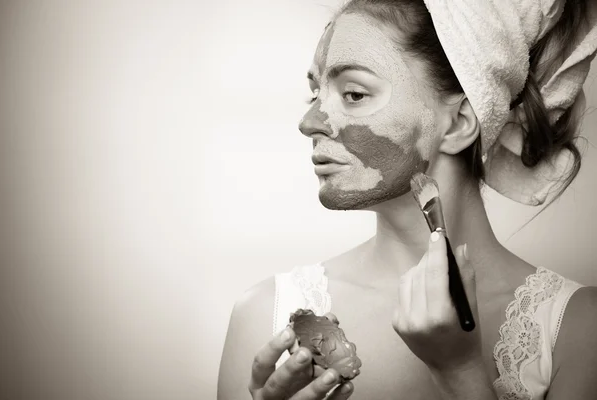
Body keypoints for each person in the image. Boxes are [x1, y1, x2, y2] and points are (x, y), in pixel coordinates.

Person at [217, 0, 597, 399]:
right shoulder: (266, 316)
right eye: (314, 94)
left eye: (354, 93)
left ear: (460, 123)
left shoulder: (575, 327)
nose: (309, 122)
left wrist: (460, 370)